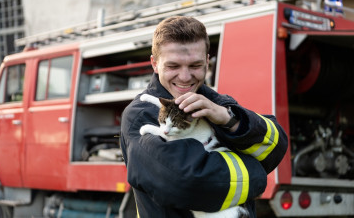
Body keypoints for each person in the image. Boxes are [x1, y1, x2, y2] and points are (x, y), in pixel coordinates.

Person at [120, 16, 288, 218]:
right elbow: (190, 183)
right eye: (173, 66)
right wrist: (258, 175)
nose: (184, 77)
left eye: (195, 66)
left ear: (208, 61)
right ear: (155, 64)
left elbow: (276, 146)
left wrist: (229, 119)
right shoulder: (141, 115)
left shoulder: (217, 102)